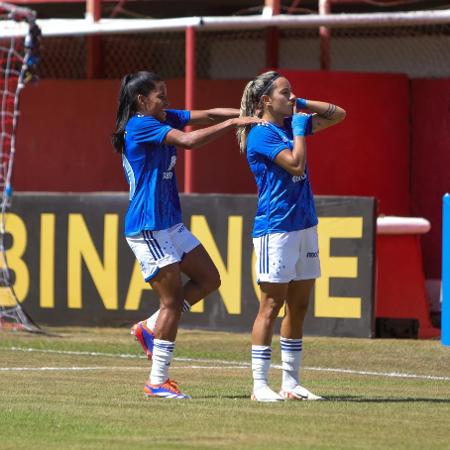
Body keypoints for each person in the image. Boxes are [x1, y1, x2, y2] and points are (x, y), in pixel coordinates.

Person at [112, 71, 262, 399]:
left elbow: (205, 114)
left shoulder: (161, 116)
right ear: (142, 100)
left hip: (169, 223)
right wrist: (234, 126)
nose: (166, 100)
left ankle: (148, 326)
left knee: (209, 280)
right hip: (148, 225)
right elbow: (190, 141)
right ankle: (157, 381)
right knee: (172, 302)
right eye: (160, 95)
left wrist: (246, 115)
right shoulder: (141, 125)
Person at [237, 71, 346, 402]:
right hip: (276, 228)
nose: (291, 96)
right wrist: (299, 129)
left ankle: (291, 383)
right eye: (285, 93)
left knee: (299, 305)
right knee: (270, 306)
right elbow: (296, 165)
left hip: (304, 225)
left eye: (292, 91)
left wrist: (302, 104)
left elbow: (339, 114)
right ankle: (259, 385)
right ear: (267, 101)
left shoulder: (289, 124)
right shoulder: (260, 135)